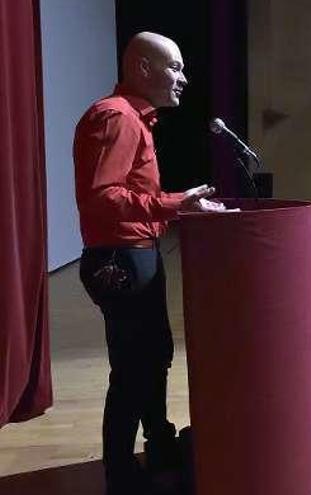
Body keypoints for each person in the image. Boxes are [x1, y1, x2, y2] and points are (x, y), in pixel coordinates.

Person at [74, 32, 221, 494]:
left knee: (152, 357)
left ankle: (158, 444)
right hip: (120, 258)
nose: (183, 77)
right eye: (174, 66)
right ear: (141, 68)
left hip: (135, 253)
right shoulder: (116, 118)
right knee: (133, 369)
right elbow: (104, 197)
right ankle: (119, 474)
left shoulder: (135, 119)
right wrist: (178, 204)